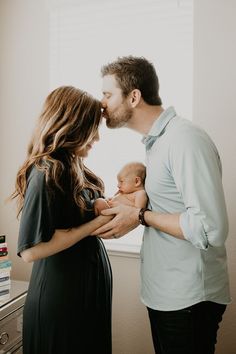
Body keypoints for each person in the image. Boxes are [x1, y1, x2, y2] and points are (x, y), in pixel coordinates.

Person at [92, 56, 231, 354]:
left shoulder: (184, 139)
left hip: (189, 301)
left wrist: (141, 216)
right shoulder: (156, 144)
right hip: (169, 296)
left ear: (133, 96)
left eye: (107, 94)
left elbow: (210, 228)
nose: (100, 103)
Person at [11, 86, 113, 354]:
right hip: (62, 298)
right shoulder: (46, 171)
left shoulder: (75, 165)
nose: (98, 137)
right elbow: (31, 250)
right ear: (73, 125)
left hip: (84, 295)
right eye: (93, 128)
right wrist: (95, 224)